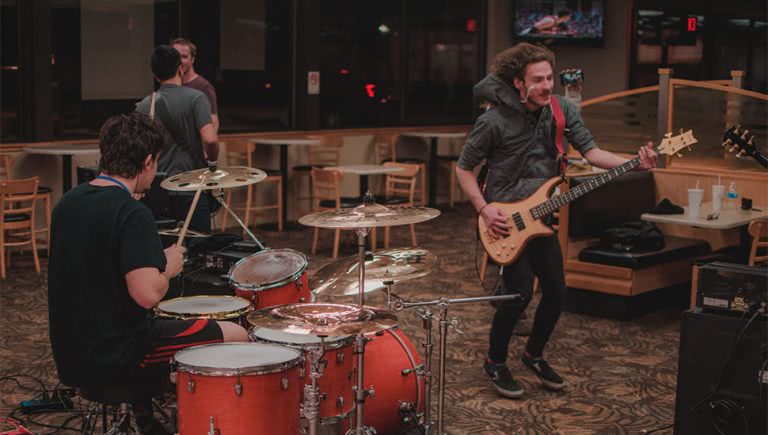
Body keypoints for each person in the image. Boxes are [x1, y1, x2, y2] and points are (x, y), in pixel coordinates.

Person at [455, 43, 657, 399]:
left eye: (549, 77)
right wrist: (484, 208)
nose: (547, 85)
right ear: (518, 83)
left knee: (556, 292)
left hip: (541, 217)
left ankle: (534, 354)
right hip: (502, 217)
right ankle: (495, 361)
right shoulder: (493, 120)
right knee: (517, 295)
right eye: (538, 80)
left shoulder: (561, 110)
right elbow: (464, 168)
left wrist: (633, 163)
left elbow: (591, 153)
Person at [47, 112, 247, 433]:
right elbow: (146, 294)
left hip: (71, 353)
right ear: (149, 161)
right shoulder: (131, 212)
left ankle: (145, 417)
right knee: (236, 335)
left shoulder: (68, 203)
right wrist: (167, 266)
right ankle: (209, 424)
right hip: (117, 355)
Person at [136, 45, 218, 232]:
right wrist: (212, 163)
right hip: (192, 187)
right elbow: (210, 139)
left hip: (157, 190)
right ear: (180, 68)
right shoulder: (197, 98)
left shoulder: (145, 105)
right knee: (199, 248)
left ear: (155, 75)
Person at [171, 37, 220, 133]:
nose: (179, 61)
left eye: (184, 57)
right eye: (175, 56)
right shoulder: (170, 85)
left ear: (192, 59)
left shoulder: (203, 87)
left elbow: (213, 123)